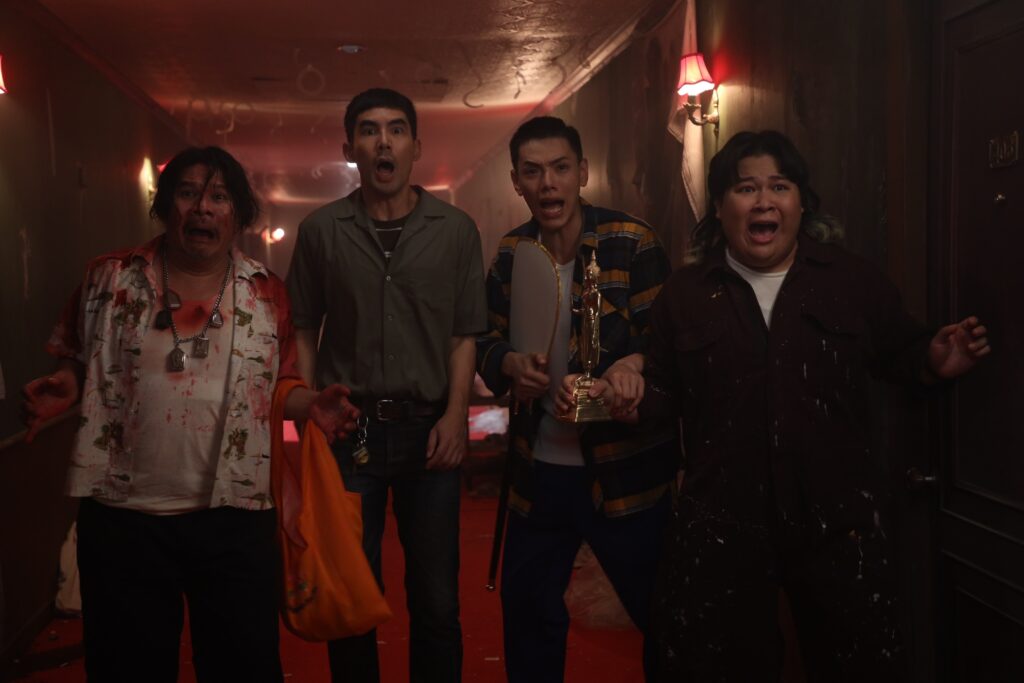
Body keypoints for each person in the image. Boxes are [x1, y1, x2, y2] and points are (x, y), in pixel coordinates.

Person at [633, 130, 990, 682]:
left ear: (802, 203)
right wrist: (624, 392)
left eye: (779, 186)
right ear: (721, 207)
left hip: (838, 522)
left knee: (863, 665)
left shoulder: (850, 281)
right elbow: (661, 394)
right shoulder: (684, 295)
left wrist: (934, 360)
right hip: (722, 523)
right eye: (746, 188)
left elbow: (901, 352)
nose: (764, 201)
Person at [21, 146, 360, 683]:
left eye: (219, 197)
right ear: (165, 206)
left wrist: (310, 404)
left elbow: (282, 385)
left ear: (238, 215)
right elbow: (79, 358)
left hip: (234, 518)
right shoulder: (109, 278)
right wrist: (66, 383)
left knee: (242, 667)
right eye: (188, 193)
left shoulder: (266, 292)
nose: (203, 207)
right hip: (123, 516)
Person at [286, 88, 487, 683]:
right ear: (350, 148)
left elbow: (463, 335)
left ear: (415, 146)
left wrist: (456, 416)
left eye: (396, 130)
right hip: (350, 433)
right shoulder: (321, 231)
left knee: (437, 600)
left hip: (429, 431)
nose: (383, 142)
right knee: (349, 594)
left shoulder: (455, 231)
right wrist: (309, 411)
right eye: (369, 130)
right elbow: (303, 327)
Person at [476, 116, 679, 682]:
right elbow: (484, 340)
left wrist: (629, 369)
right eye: (533, 172)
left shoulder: (631, 242)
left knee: (664, 618)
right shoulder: (513, 251)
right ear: (516, 181)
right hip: (539, 473)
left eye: (560, 168)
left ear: (582, 172)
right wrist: (510, 365)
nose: (548, 184)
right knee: (528, 622)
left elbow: (668, 348)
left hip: (625, 472)